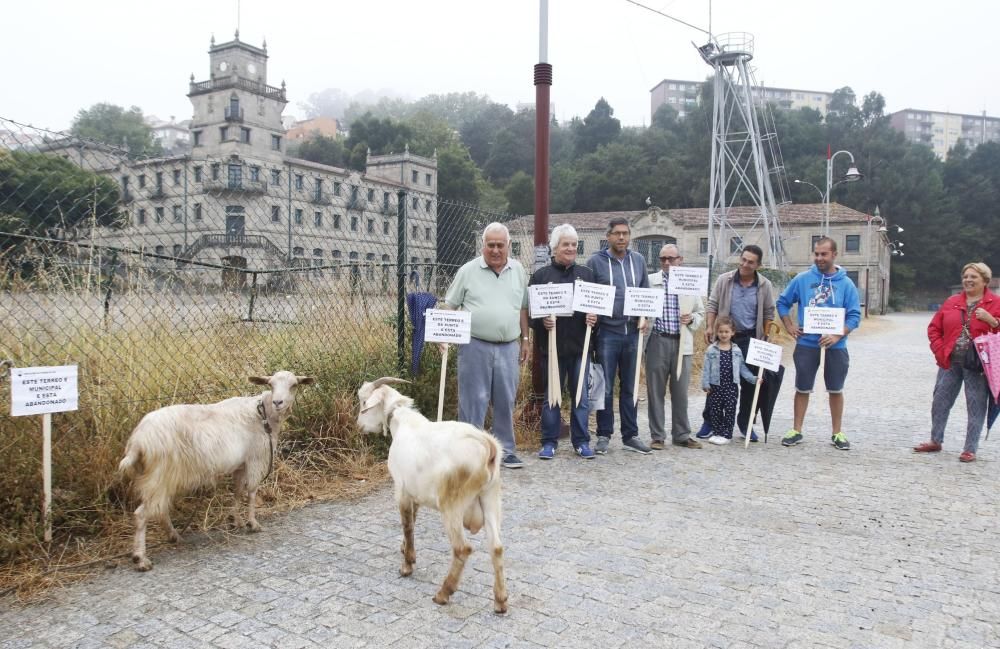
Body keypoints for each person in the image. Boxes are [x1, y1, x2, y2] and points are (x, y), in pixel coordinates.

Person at [443, 222, 530, 468]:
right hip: (474, 345)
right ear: (483, 246)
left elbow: (522, 307)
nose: (494, 250)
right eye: (490, 245)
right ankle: (470, 453)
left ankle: (505, 450)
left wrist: (525, 339)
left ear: (508, 246)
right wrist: (443, 336)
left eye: (499, 245)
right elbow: (449, 305)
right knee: (473, 400)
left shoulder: (518, 270)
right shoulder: (468, 271)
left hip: (508, 346)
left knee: (505, 398)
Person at [776, 236, 862, 450]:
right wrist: (789, 325)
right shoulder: (803, 279)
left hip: (836, 347)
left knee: (835, 389)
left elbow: (854, 315)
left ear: (834, 254)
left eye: (824, 254)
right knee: (802, 387)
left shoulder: (846, 283)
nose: (819, 258)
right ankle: (796, 430)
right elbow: (783, 302)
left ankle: (837, 433)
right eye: (816, 254)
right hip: (807, 344)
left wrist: (837, 335)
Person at [918, 262, 1000, 462]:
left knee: (976, 405)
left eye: (974, 277)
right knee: (940, 401)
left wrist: (993, 321)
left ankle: (969, 449)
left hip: (978, 366)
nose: (968, 280)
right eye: (966, 276)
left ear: (985, 281)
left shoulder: (995, 303)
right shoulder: (951, 301)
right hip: (950, 361)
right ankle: (935, 440)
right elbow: (934, 328)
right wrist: (939, 350)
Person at [529, 224, 598, 460]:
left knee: (581, 396)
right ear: (554, 247)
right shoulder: (541, 277)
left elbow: (596, 307)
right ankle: (549, 441)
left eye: (573, 244)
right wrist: (542, 323)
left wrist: (593, 318)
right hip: (552, 349)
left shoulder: (587, 275)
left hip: (580, 348)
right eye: (565, 244)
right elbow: (532, 315)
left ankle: (581, 441)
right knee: (552, 397)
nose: (570, 248)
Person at [586, 217, 652, 455]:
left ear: (630, 235)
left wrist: (645, 317)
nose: (621, 237)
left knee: (630, 386)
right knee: (605, 386)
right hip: (607, 333)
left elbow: (646, 293)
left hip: (633, 333)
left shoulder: (639, 260)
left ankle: (630, 435)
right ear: (608, 236)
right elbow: (587, 295)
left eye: (625, 233)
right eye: (617, 233)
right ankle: (604, 434)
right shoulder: (595, 261)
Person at [698, 244, 776, 442]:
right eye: (743, 259)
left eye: (750, 262)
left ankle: (745, 423)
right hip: (726, 337)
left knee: (749, 384)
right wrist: (709, 326)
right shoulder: (725, 280)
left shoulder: (764, 285)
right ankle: (710, 421)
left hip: (752, 339)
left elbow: (768, 313)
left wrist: (766, 337)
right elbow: (713, 303)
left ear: (758, 265)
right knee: (717, 379)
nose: (745, 264)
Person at [646, 243, 706, 450]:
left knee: (680, 391)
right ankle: (657, 436)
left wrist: (691, 319)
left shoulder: (689, 283)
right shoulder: (650, 281)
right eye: (663, 259)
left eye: (671, 258)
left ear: (680, 260)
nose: (666, 262)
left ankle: (681, 434)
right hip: (657, 340)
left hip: (683, 343)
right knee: (655, 391)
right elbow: (641, 307)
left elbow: (701, 312)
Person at [701, 316, 761, 445]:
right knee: (715, 410)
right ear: (717, 332)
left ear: (732, 332)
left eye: (726, 332)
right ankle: (717, 432)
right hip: (715, 386)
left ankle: (727, 434)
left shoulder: (736, 351)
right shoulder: (711, 350)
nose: (723, 334)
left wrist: (753, 379)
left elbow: (743, 369)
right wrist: (705, 383)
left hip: (730, 387)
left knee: (729, 410)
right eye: (721, 331)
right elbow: (706, 368)